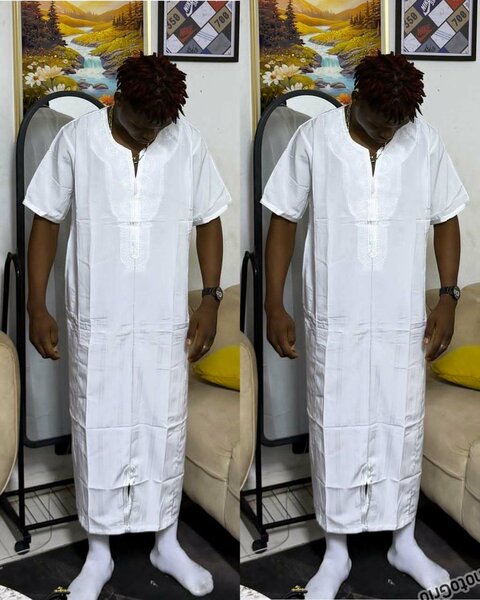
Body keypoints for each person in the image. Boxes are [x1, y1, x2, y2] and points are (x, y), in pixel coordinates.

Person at [261, 51, 469, 599]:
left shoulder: (422, 141)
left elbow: (447, 217)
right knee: (335, 420)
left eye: (397, 123)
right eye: (380, 121)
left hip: (401, 316)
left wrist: (448, 297)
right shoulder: (314, 139)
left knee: (402, 420)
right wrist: (274, 304)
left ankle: (403, 539)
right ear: (356, 100)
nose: (388, 132)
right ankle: (337, 551)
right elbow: (283, 219)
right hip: (335, 313)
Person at [23, 52, 231, 599]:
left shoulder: (184, 142)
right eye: (142, 122)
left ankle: (166, 540)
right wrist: (36, 305)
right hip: (99, 315)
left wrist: (211, 298)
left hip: (164, 318)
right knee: (97, 422)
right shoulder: (76, 140)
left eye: (160, 125)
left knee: (165, 421)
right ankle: (99, 552)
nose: (150, 134)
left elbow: (210, 218)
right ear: (118, 101)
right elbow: (45, 220)